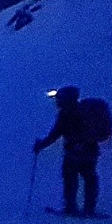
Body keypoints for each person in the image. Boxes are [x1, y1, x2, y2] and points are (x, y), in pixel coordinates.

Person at [34, 85, 100, 216]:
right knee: (90, 178)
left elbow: (55, 134)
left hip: (73, 153)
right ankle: (89, 209)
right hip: (90, 152)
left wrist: (41, 145)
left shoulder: (65, 114)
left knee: (70, 179)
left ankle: (71, 208)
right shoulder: (86, 111)